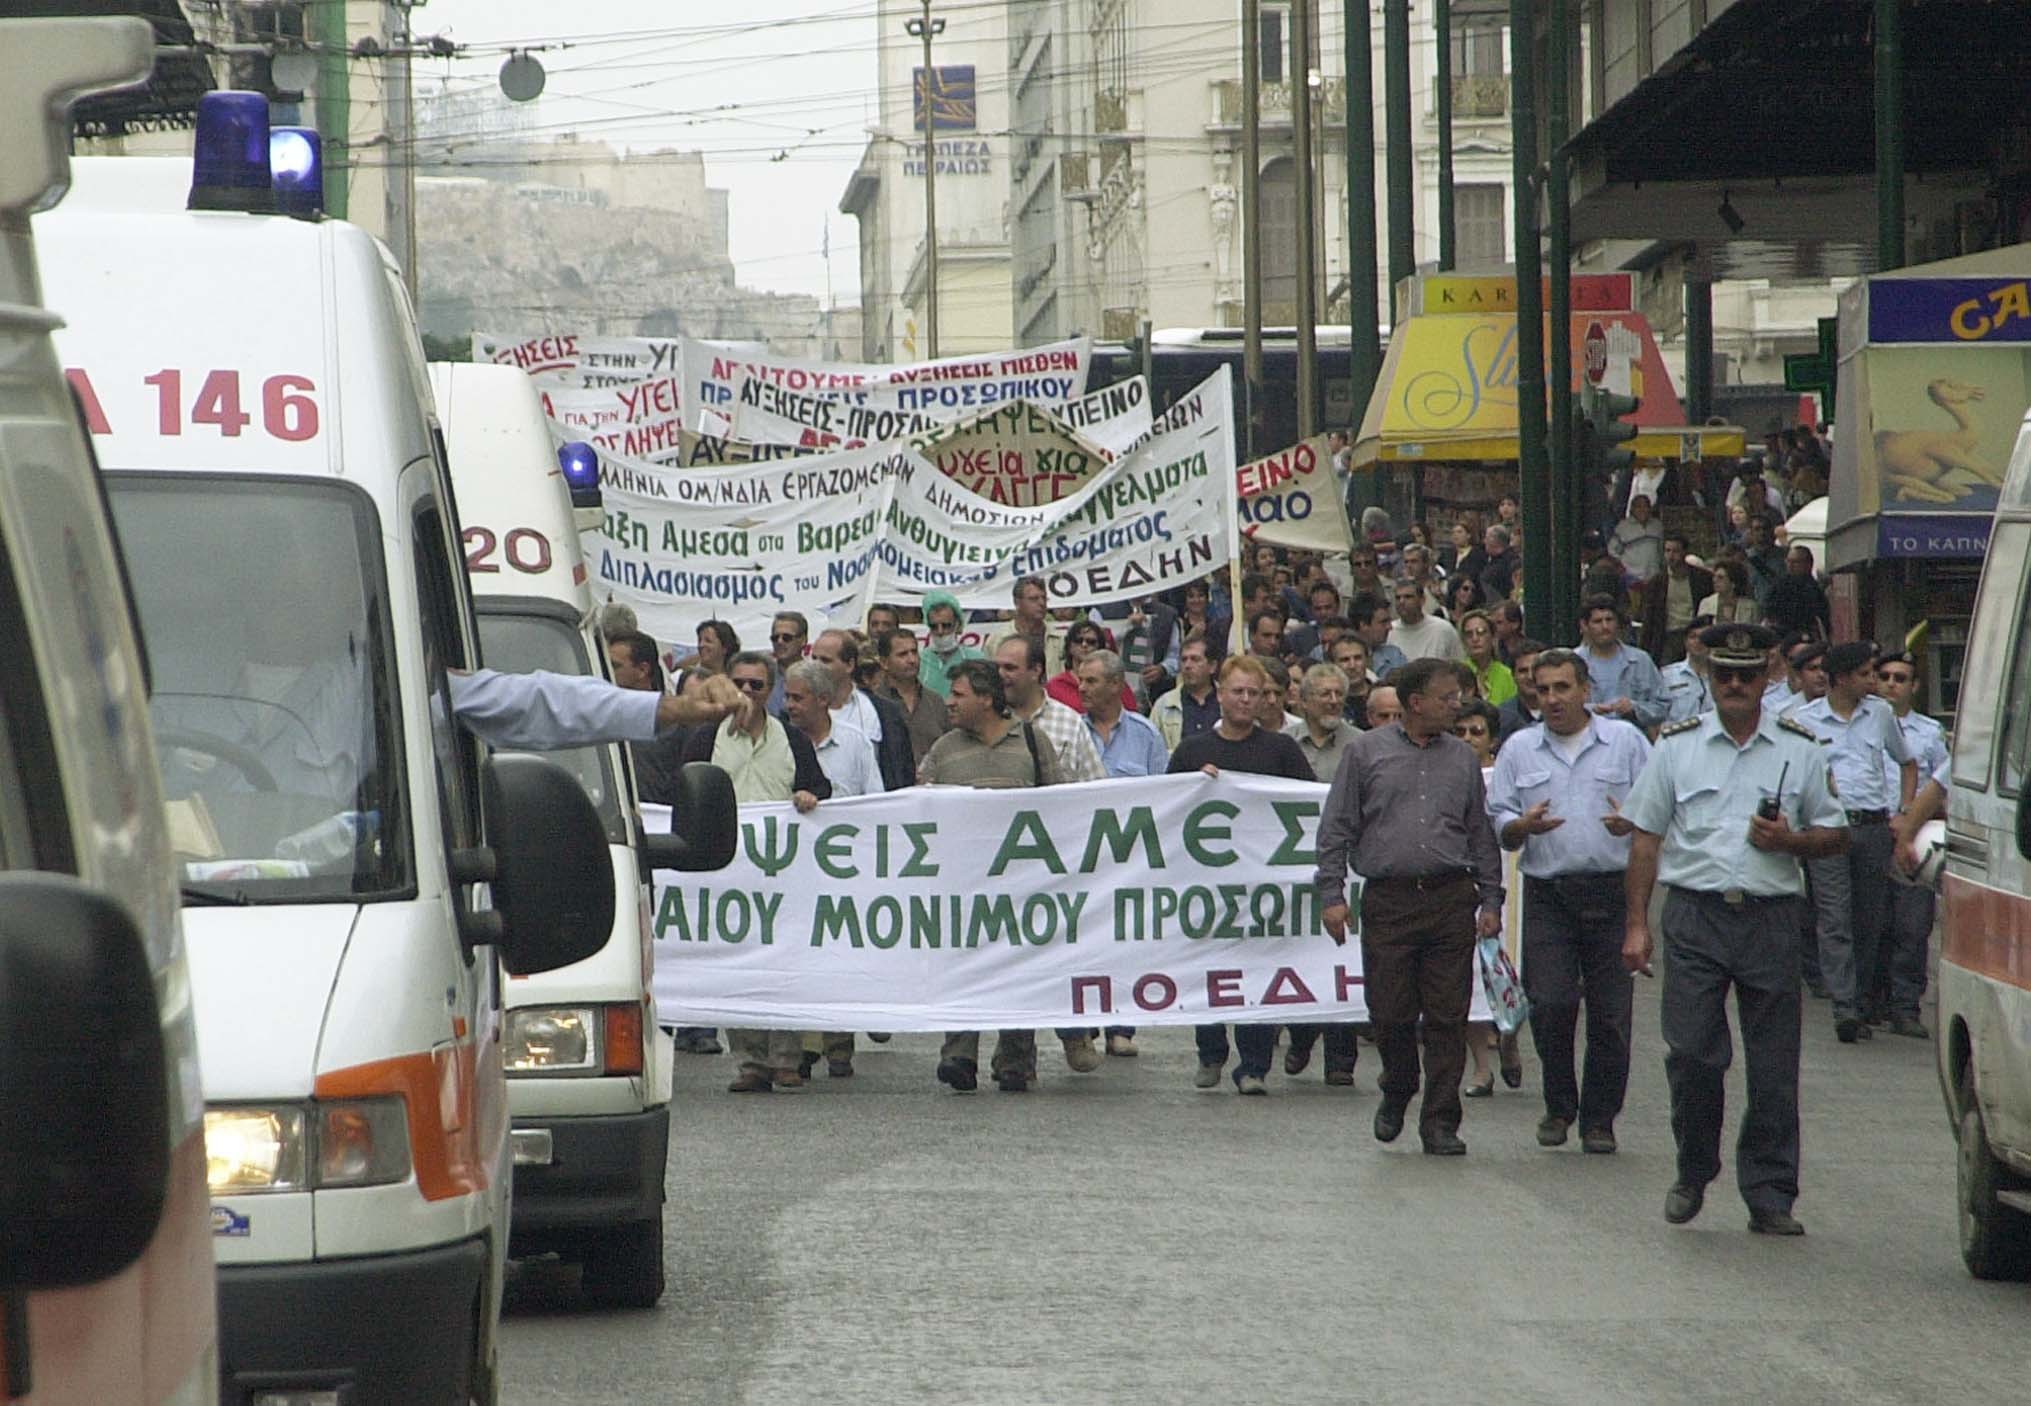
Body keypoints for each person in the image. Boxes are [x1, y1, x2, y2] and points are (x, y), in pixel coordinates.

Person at [1621, 623, 1848, 1234]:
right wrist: (1636, 926)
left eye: (1748, 675)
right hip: (1696, 914)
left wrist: (1790, 840)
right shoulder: (1677, 744)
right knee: (1694, 1054)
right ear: (1711, 675)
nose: (1735, 685)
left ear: (1770, 673)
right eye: (1724, 674)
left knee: (1773, 1067)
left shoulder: (1800, 746)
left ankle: (1770, 1193)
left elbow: (1837, 833)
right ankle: (1694, 1167)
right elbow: (1645, 837)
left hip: (1771, 916)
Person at [1316, 657, 1505, 1154]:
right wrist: (1332, 895)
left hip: (1448, 898)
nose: (1456, 705)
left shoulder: (1462, 759)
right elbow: (1336, 828)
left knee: (1447, 1016)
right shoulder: (1364, 754)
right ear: (1415, 703)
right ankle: (1398, 1086)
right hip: (1390, 902)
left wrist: (1491, 898)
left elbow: (1479, 834)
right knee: (1391, 1014)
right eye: (1446, 698)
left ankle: (1441, 1120)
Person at [1486, 649, 1652, 1153]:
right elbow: (1501, 821)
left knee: (1610, 1015)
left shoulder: (1625, 742)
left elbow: (1658, 808)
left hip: (1613, 889)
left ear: (1586, 691)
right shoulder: (1519, 749)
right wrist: (1521, 826)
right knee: (1553, 1003)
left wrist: (1635, 822)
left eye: (1562, 688)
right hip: (1548, 893)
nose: (1553, 699)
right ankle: (1560, 1105)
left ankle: (1600, 1118)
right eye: (1543, 690)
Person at [916, 660, 1095, 1092]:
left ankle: (1015, 1058)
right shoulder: (943, 750)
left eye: (958, 695)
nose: (949, 702)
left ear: (986, 699)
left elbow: (1059, 805)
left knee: (1019, 968)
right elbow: (919, 810)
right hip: (962, 888)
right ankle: (959, 1053)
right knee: (963, 966)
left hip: (1022, 886)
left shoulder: (1033, 744)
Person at [679, 651, 833, 1093]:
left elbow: (818, 785)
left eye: (757, 685)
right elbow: (683, 790)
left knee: (781, 962)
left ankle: (787, 1058)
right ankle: (750, 1060)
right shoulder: (706, 738)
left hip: (780, 872)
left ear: (772, 691)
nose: (747, 692)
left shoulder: (792, 739)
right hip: (725, 869)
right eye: (740, 683)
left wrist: (808, 795)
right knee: (736, 964)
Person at [1167, 655, 1316, 1094]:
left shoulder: (1281, 750)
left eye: (1255, 693)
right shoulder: (1193, 750)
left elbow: (1310, 804)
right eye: (1238, 691)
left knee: (1258, 970)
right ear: (1220, 694)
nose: (1246, 700)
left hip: (1264, 888)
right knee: (1207, 968)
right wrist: (1193, 786)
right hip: (1207, 885)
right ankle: (1210, 1052)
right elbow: (1164, 807)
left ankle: (1253, 1065)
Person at [1787, 642, 1915, 1042]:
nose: (1873, 682)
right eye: (1864, 674)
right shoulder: (1802, 719)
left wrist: (1905, 810)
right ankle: (1844, 1006)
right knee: (1833, 917)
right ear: (1840, 678)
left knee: (1868, 919)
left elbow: (1906, 762)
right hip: (1826, 829)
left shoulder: (1879, 715)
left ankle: (1860, 1001)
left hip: (1873, 827)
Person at [781, 658, 883, 1080]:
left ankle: (839, 1042)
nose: (788, 706)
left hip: (846, 869)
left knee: (838, 953)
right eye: (785, 697)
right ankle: (804, 1044)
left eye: (797, 697)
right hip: (792, 869)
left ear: (823, 700)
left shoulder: (856, 743)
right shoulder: (776, 741)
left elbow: (875, 799)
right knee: (799, 954)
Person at [1875, 651, 1947, 1039]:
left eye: (1900, 678)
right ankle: (1873, 1001)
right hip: (1871, 830)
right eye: (1884, 676)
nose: (1891, 684)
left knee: (1912, 924)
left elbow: (1940, 786)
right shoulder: (1866, 724)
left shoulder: (1930, 733)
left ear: (1914, 687)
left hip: (1913, 834)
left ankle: (1905, 1005)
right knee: (1875, 922)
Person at [810, 629, 913, 793]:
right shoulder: (797, 713)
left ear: (849, 665)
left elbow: (901, 774)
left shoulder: (885, 713)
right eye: (813, 658)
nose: (815, 666)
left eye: (825, 660)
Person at [995, 635, 1106, 784]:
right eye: (997, 667)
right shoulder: (987, 719)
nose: (1000, 674)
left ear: (1035, 670)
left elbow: (1096, 787)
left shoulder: (1071, 723)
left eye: (1010, 668)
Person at [1578, 596, 1668, 730]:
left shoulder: (1640, 660)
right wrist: (1591, 710)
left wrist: (1635, 709)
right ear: (1585, 626)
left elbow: (1663, 707)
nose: (1605, 626)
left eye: (1609, 620)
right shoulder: (1574, 662)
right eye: (1597, 621)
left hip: (1631, 739)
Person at [1079, 649, 1168, 780]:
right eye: (1080, 680)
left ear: (1115, 684)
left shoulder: (1147, 735)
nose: (1081, 688)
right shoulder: (1073, 732)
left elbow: (1163, 790)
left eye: (1091, 681)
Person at [873, 628, 949, 764]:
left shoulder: (936, 701)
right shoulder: (873, 703)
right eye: (902, 654)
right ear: (884, 662)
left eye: (914, 652)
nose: (912, 660)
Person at [1643, 533, 1712, 664]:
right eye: (1667, 551)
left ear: (1685, 553)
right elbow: (1649, 617)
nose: (1671, 556)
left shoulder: (1702, 578)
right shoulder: (1657, 582)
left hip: (1695, 633)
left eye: (1675, 551)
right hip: (1669, 635)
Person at [985, 574, 1068, 677]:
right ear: (1017, 602)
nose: (1042, 603)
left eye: (1044, 598)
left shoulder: (1060, 638)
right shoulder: (997, 640)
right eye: (1034, 599)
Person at [1047, 619, 1134, 714]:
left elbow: (1131, 714)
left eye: (1091, 642)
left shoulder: (1113, 683)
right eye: (1078, 641)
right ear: (1069, 646)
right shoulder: (1055, 686)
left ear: (1099, 647)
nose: (1084, 645)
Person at [1150, 632, 1221, 749]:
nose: (1187, 665)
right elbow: (1151, 750)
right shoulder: (1164, 705)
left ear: (1212, 666)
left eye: (1195, 659)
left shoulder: (1228, 701)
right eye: (1184, 660)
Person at [918, 590, 984, 698]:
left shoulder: (977, 659)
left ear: (957, 624)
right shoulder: (919, 661)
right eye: (934, 626)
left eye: (946, 625)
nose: (940, 631)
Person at [1387, 577, 1466, 663]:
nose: (1401, 601)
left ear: (1422, 600)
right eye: (1398, 598)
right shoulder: (1389, 631)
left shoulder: (1443, 629)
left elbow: (1459, 663)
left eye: (1408, 597)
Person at [1659, 616, 1716, 724]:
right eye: (1693, 637)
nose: (1698, 642)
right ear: (1685, 642)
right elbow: (1655, 715)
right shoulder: (1668, 675)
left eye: (1703, 637)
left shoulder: (1721, 677)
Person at [1765, 545, 1831, 640]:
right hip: (1778, 633)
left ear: (1809, 564)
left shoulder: (1814, 590)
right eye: (1788, 561)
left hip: (1803, 636)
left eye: (1795, 562)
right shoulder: (1779, 584)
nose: (1790, 566)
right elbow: (1769, 607)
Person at [1458, 609, 1516, 706]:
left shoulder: (1507, 675)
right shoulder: (1457, 675)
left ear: (1493, 637)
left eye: (1481, 632)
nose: (1475, 639)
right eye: (1469, 634)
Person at [1497, 639, 1550, 743]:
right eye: (1523, 671)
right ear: (1513, 675)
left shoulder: (1560, 710)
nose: (1530, 677)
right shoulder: (1501, 716)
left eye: (1535, 669)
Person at [1351, 591, 1410, 678]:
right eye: (1383, 622)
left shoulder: (1395, 656)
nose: (1390, 627)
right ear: (1363, 625)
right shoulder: (1339, 656)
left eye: (1389, 621)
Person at [1610, 495, 1665, 586]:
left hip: (1654, 578)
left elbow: (1661, 551)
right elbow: (1613, 551)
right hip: (1632, 578)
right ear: (1632, 509)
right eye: (1638, 506)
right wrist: (1622, 570)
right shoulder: (1623, 527)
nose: (1642, 510)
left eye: (1645, 506)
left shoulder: (1657, 526)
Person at [765, 611, 809, 716]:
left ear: (803, 640)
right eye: (775, 638)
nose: (780, 642)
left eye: (787, 638)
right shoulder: (764, 677)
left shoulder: (815, 677)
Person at [1743, 514, 1787, 610]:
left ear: (1772, 531)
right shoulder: (1744, 558)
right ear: (1750, 533)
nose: (1762, 533)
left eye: (1765, 529)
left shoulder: (1784, 556)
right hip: (1752, 610)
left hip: (1779, 610)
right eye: (1757, 529)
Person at [1698, 558, 1758, 626]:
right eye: (1714, 576)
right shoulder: (1706, 603)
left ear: (1733, 583)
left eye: (1720, 577)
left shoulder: (1750, 607)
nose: (1714, 580)